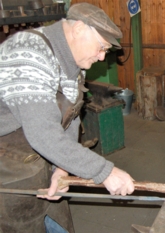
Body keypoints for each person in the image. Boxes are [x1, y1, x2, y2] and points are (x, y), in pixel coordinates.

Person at [0, 3, 134, 232]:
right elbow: (43, 134)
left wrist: (61, 169)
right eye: (101, 47)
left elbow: (70, 118)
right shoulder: (29, 53)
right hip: (8, 168)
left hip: (42, 157)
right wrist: (104, 171)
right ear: (79, 29)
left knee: (59, 224)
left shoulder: (71, 60)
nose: (102, 58)